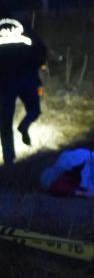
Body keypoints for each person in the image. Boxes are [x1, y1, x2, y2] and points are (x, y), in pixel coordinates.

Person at [0, 15, 46, 165]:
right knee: (35, 109)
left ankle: (9, 160)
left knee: (5, 123)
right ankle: (24, 125)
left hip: (4, 83)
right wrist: (39, 65)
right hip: (27, 78)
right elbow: (41, 49)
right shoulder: (25, 27)